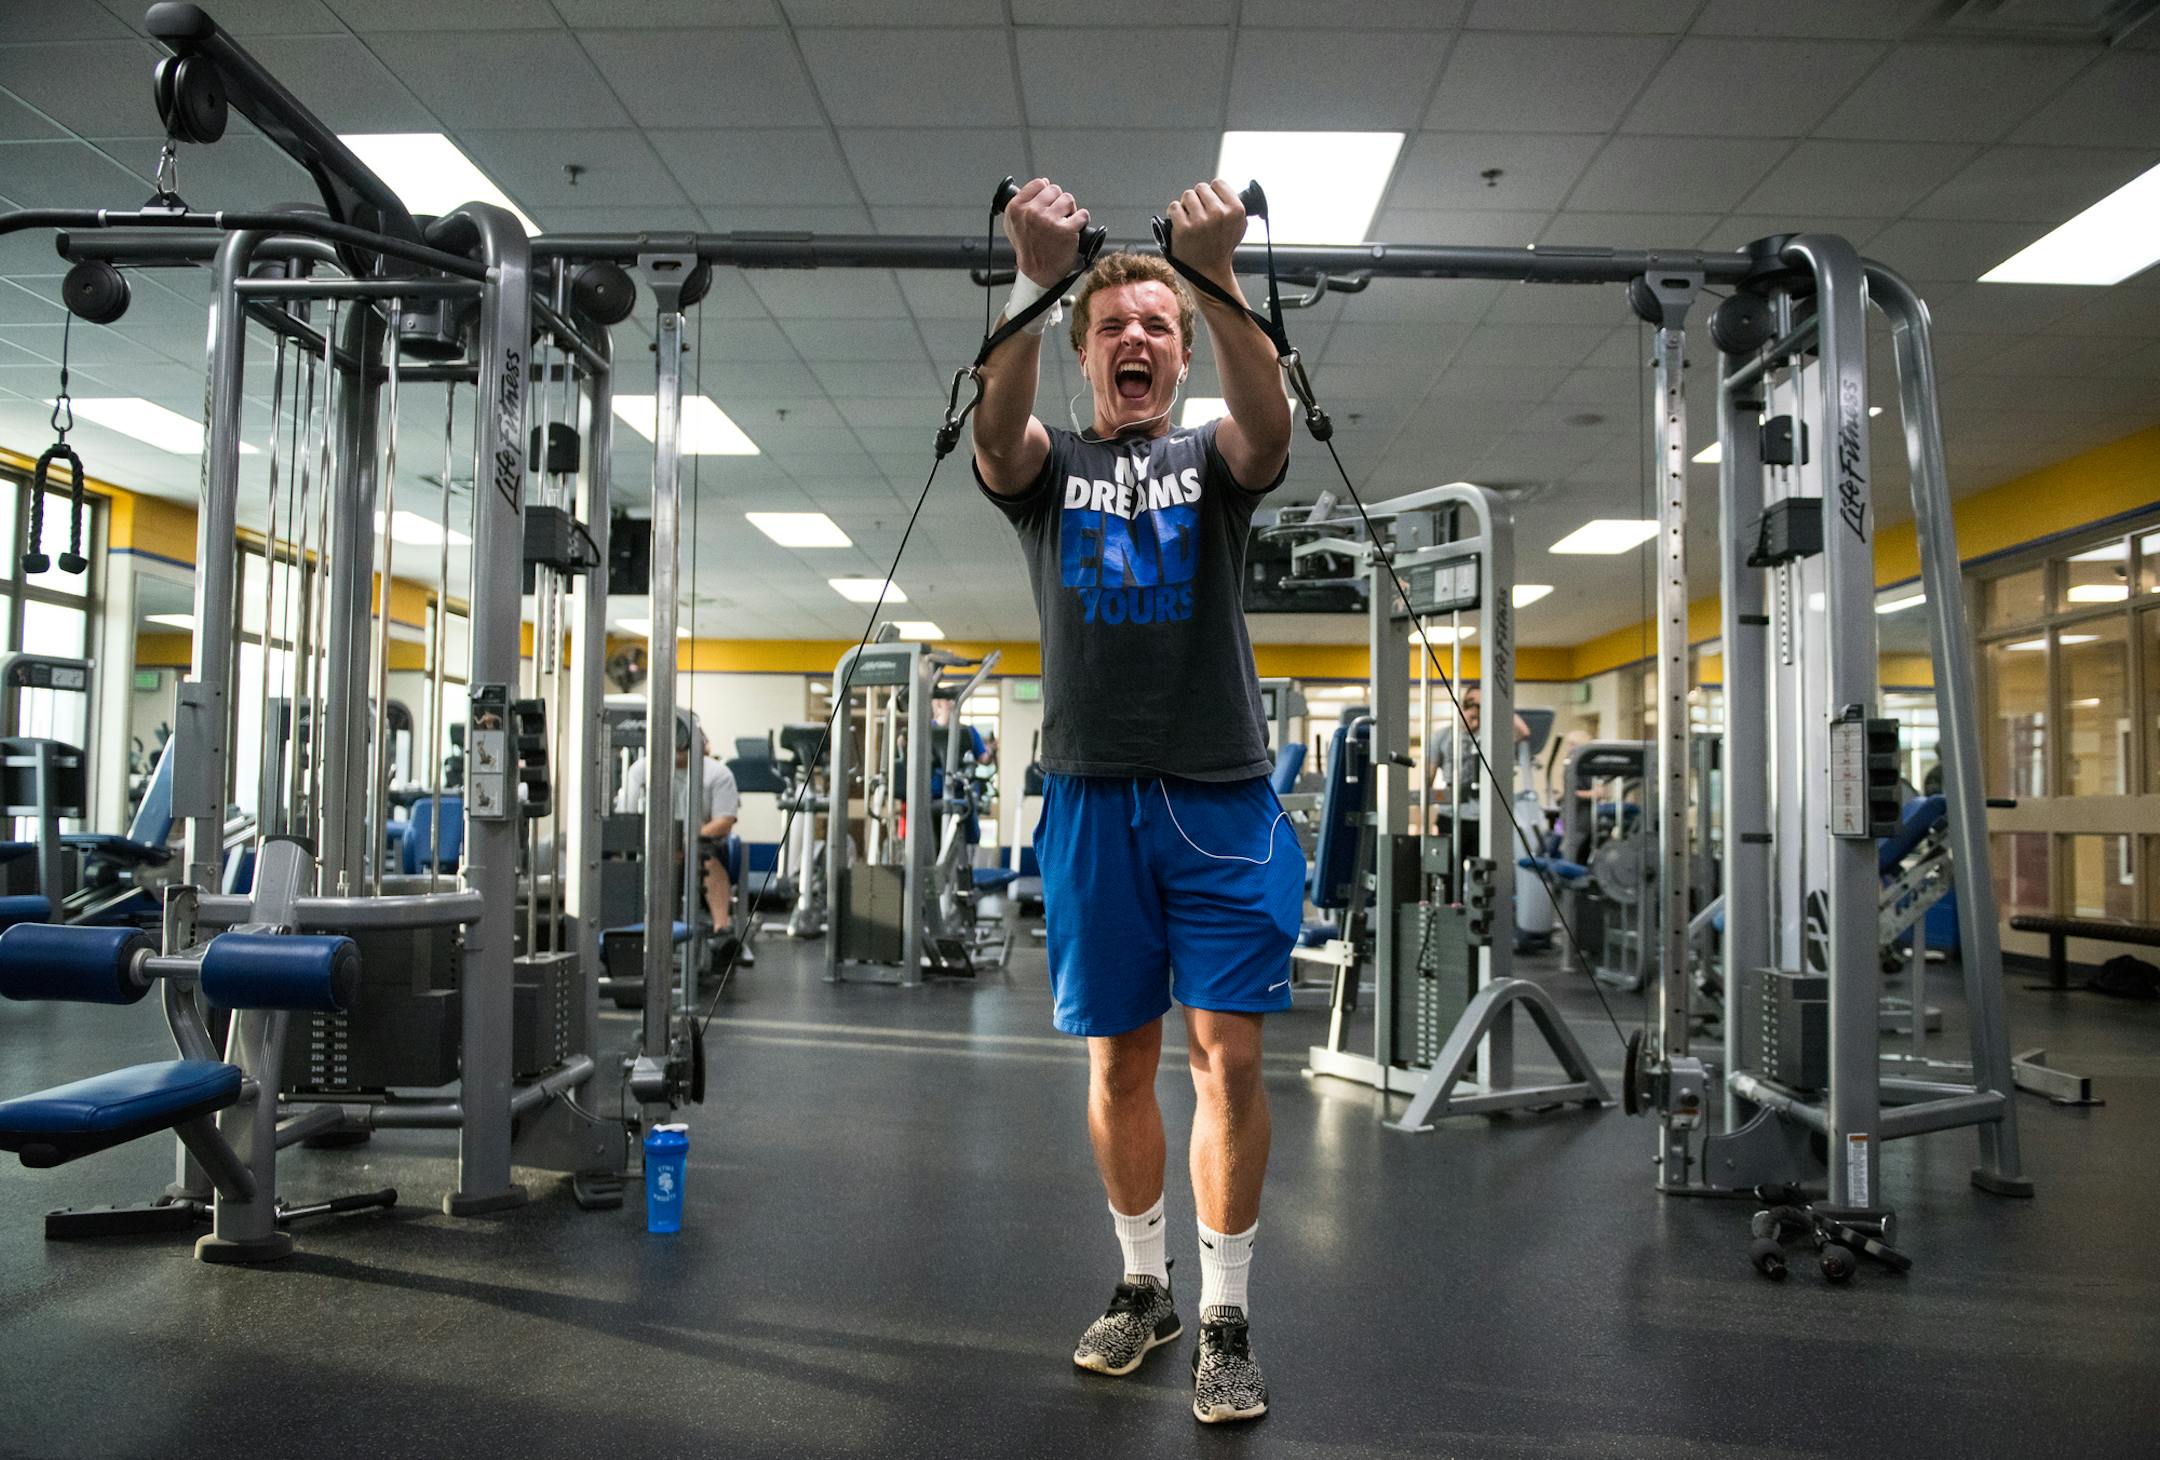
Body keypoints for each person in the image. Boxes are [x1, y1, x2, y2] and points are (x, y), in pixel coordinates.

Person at [973, 177, 1298, 1425]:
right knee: (1119, 1063)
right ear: (1082, 350)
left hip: (1219, 796)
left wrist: (1213, 277)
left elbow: (1267, 427)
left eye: (1158, 325)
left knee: (1230, 1061)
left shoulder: (1209, 461)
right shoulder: (1051, 469)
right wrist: (1033, 276)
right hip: (1094, 797)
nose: (1138, 340)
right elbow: (997, 437)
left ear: (1181, 351)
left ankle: (1224, 1312)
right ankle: (1142, 1283)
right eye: (1114, 326)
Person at [617, 728, 742, 947]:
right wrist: (662, 844)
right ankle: (623, 931)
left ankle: (722, 930)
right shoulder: (641, 770)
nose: (679, 752)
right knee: (621, 863)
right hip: (652, 843)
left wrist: (685, 842)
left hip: (701, 842)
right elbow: (627, 817)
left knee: (706, 860)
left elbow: (724, 821)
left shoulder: (718, 773)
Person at [1429, 684, 1531, 838]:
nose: (1475, 707)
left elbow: (1523, 732)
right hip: (1450, 815)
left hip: (1485, 817)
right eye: (1471, 702)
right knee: (1448, 861)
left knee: (1485, 861)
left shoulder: (1494, 737)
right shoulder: (1442, 736)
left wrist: (1497, 705)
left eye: (1480, 703)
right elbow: (1427, 778)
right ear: (1463, 704)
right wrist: (1422, 823)